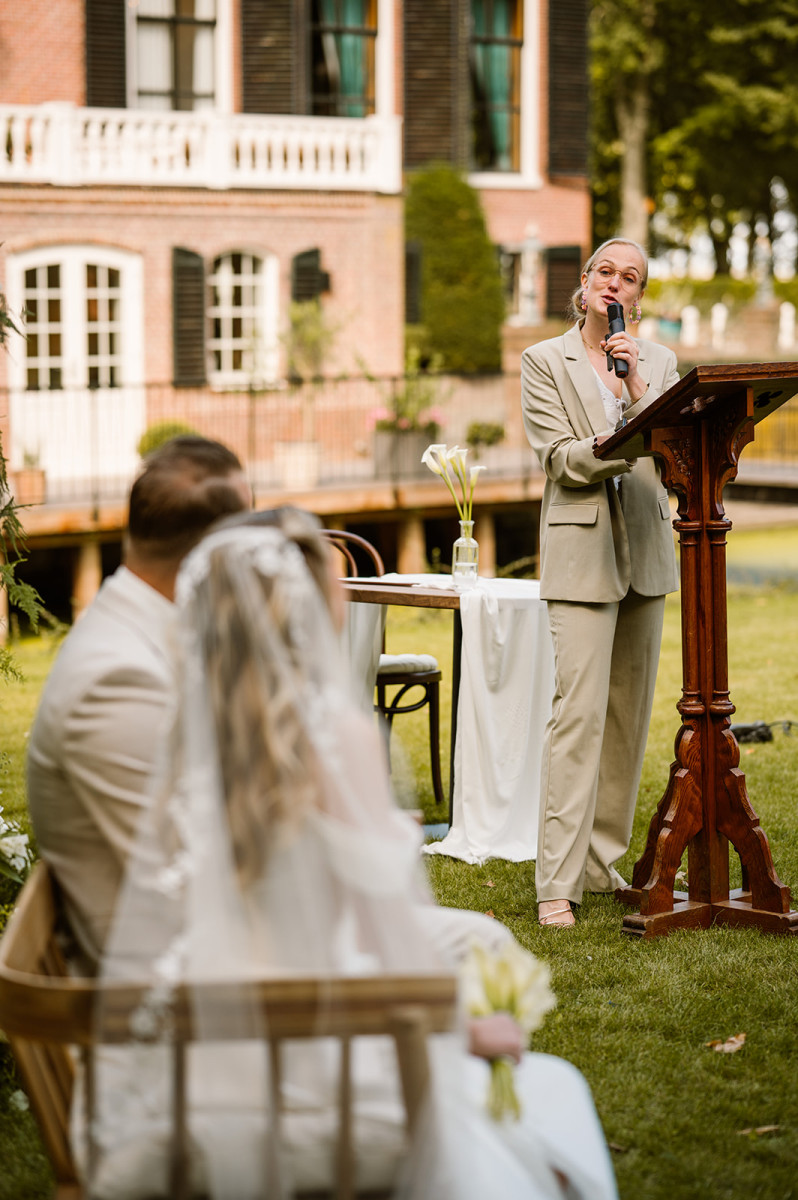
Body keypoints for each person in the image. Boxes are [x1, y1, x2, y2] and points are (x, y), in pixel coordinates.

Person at [85, 514, 619, 1200]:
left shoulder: (178, 734)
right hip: (325, 1080)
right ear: (308, 609)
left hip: (199, 1069)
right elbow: (388, 948)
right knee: (557, 1095)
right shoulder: (336, 740)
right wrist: (465, 1029)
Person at [26, 435, 252, 971]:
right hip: (166, 996)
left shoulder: (147, 634)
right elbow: (185, 892)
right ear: (217, 556)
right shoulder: (116, 680)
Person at [521, 238, 679, 928]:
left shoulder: (661, 363)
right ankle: (556, 880)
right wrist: (623, 441)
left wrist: (635, 387)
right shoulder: (541, 362)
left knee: (626, 721)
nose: (617, 285)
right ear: (584, 286)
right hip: (581, 557)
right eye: (606, 272)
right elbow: (559, 460)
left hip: (646, 549)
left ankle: (598, 860)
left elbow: (675, 448)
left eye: (631, 278)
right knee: (577, 717)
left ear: (638, 298)